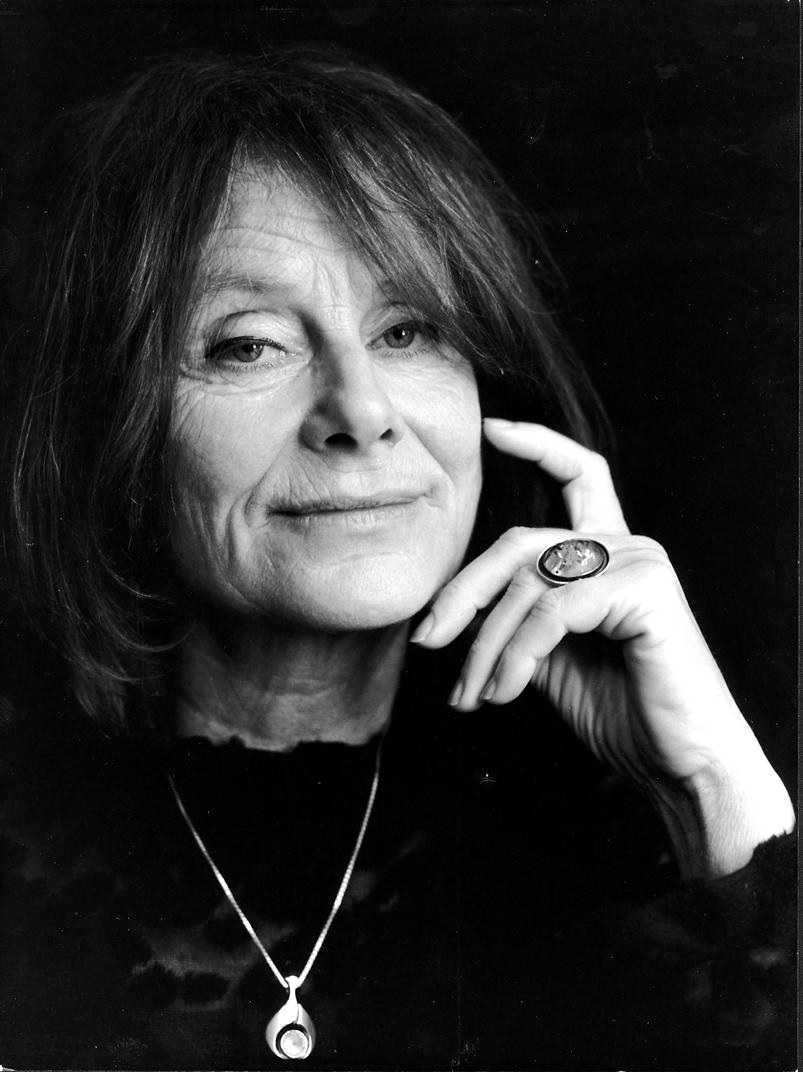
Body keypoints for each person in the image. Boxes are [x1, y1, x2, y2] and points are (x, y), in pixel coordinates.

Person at [0, 47, 795, 1070]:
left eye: (409, 329)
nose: (362, 411)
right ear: (106, 427)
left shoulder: (592, 844)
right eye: (247, 343)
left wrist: (709, 787)